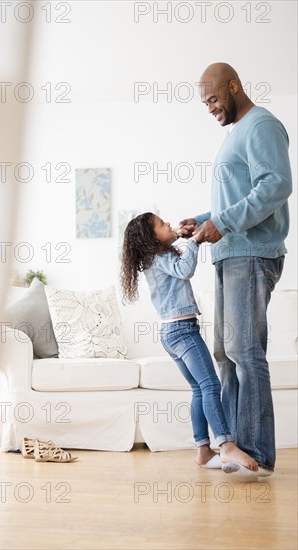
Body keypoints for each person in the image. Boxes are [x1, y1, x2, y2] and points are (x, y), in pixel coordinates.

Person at [178, 62, 292, 479]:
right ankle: (232, 446)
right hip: (229, 252)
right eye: (204, 102)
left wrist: (221, 224)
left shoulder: (262, 125)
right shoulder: (236, 134)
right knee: (226, 354)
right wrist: (203, 219)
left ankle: (257, 452)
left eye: (212, 98)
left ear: (234, 86)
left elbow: (276, 185)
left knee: (245, 350)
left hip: (251, 252)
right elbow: (237, 200)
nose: (209, 107)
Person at [120, 211, 259, 473]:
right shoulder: (158, 256)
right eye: (162, 224)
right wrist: (193, 242)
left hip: (171, 333)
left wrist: (183, 236)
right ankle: (226, 446)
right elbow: (184, 269)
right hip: (182, 330)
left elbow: (176, 258)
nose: (169, 224)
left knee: (199, 389)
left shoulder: (155, 256)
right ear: (151, 237)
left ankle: (203, 451)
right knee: (210, 384)